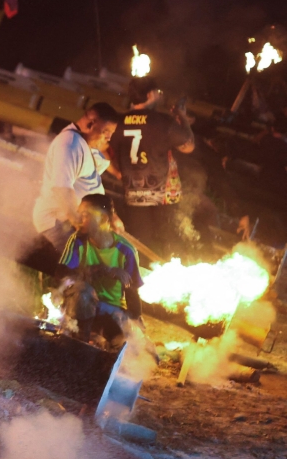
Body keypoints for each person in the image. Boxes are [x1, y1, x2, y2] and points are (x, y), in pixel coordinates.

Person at [109, 77, 195, 257]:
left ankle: (136, 280)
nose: (161, 96)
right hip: (163, 196)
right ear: (150, 94)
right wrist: (183, 118)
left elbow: (97, 149)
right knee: (171, 243)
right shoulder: (161, 121)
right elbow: (188, 145)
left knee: (139, 246)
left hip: (133, 194)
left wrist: (116, 172)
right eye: (158, 92)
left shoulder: (117, 122)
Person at [32, 102, 120, 260]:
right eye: (106, 131)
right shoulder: (69, 144)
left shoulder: (84, 144)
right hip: (60, 222)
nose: (108, 138)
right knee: (83, 269)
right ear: (91, 123)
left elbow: (91, 187)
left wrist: (112, 216)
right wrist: (81, 226)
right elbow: (61, 189)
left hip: (75, 221)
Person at [57, 194, 143, 350]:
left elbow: (132, 294)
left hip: (112, 311)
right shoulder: (77, 241)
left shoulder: (126, 251)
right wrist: (103, 270)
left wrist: (133, 326)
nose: (78, 219)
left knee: (136, 353)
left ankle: (105, 343)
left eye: (85, 215)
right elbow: (65, 278)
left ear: (103, 219)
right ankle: (79, 347)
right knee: (82, 293)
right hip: (81, 308)